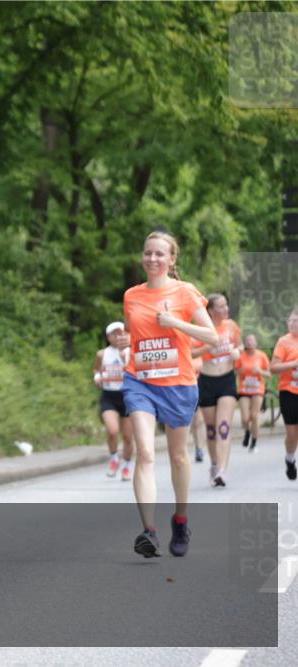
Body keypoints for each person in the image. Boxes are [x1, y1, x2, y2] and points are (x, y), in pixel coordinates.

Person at [122, 231, 218, 558]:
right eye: (148, 253)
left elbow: (212, 336)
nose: (152, 259)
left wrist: (176, 322)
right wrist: (123, 347)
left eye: (159, 254)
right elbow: (136, 339)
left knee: (178, 456)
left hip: (178, 384)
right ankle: (148, 531)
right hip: (140, 382)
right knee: (145, 453)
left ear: (172, 259)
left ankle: (181, 518)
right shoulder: (131, 296)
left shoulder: (186, 292)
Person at [193, 294, 241, 487]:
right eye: (221, 306)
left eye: (226, 306)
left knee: (223, 427)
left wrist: (238, 351)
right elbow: (190, 352)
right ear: (210, 310)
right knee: (212, 430)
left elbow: (240, 345)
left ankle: (222, 470)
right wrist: (208, 345)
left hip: (227, 380)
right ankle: (214, 463)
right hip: (206, 381)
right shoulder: (201, 329)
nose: (226, 309)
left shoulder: (231, 326)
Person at [93, 321, 134, 481]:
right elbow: (96, 369)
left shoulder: (131, 352)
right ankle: (114, 458)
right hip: (109, 395)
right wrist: (97, 377)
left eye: (121, 333)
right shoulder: (102, 354)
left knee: (128, 437)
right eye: (114, 333)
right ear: (108, 336)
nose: (118, 336)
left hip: (127, 396)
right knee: (112, 431)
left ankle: (127, 466)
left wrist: (126, 358)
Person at [270, 308, 298, 481]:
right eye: (291, 320)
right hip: (288, 390)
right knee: (292, 434)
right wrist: (293, 363)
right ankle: (289, 458)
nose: (293, 323)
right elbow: (273, 368)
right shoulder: (284, 342)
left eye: (297, 320)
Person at [236, 334, 271, 452]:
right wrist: (240, 370)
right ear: (245, 343)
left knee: (254, 416)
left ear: (256, 343)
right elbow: (234, 372)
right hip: (244, 389)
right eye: (247, 341)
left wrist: (260, 371)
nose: (249, 343)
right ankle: (247, 431)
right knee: (245, 418)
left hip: (257, 389)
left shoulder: (262, 356)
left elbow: (269, 374)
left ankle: (254, 442)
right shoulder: (241, 356)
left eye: (251, 340)